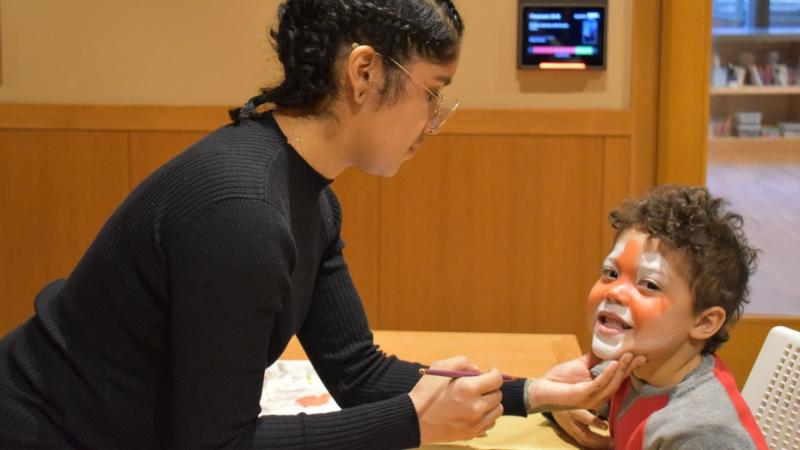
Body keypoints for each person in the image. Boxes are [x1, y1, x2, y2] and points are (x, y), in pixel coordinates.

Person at [0, 1, 642, 448]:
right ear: (364, 73)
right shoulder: (242, 212)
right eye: (433, 94)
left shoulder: (310, 197)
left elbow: (358, 371)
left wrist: (529, 393)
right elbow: (218, 444)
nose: (434, 122)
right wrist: (413, 424)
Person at [548, 185, 768, 449]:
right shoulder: (633, 368)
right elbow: (565, 395)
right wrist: (560, 405)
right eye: (611, 273)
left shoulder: (702, 433)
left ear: (703, 322)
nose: (615, 292)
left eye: (650, 285)